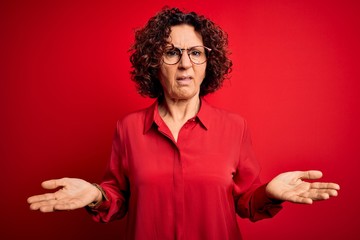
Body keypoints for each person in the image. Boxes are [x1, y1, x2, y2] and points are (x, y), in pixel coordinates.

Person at [27, 7, 340, 240]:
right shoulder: (128, 128)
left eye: (195, 53)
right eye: (171, 53)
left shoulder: (235, 127)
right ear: (153, 63)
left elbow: (246, 204)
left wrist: (269, 193)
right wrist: (95, 194)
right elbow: (118, 199)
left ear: (208, 63)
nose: (185, 63)